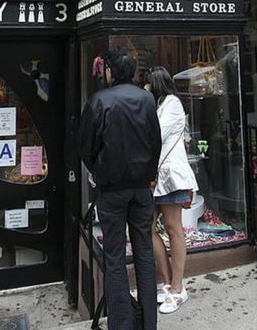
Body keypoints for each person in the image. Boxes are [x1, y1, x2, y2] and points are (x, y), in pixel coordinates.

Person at [78, 48, 162, 330]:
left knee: (114, 257)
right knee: (144, 254)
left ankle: (122, 324)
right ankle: (149, 322)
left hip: (112, 190)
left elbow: (86, 148)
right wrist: (149, 176)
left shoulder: (99, 100)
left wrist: (99, 171)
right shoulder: (147, 99)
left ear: (110, 72)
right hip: (141, 189)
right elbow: (155, 142)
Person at [147, 66, 199, 314]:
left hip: (169, 176)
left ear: (155, 84)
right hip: (153, 178)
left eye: (147, 84)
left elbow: (156, 134)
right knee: (147, 228)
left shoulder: (173, 103)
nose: (144, 88)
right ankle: (167, 282)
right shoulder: (158, 105)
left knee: (173, 228)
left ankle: (178, 287)